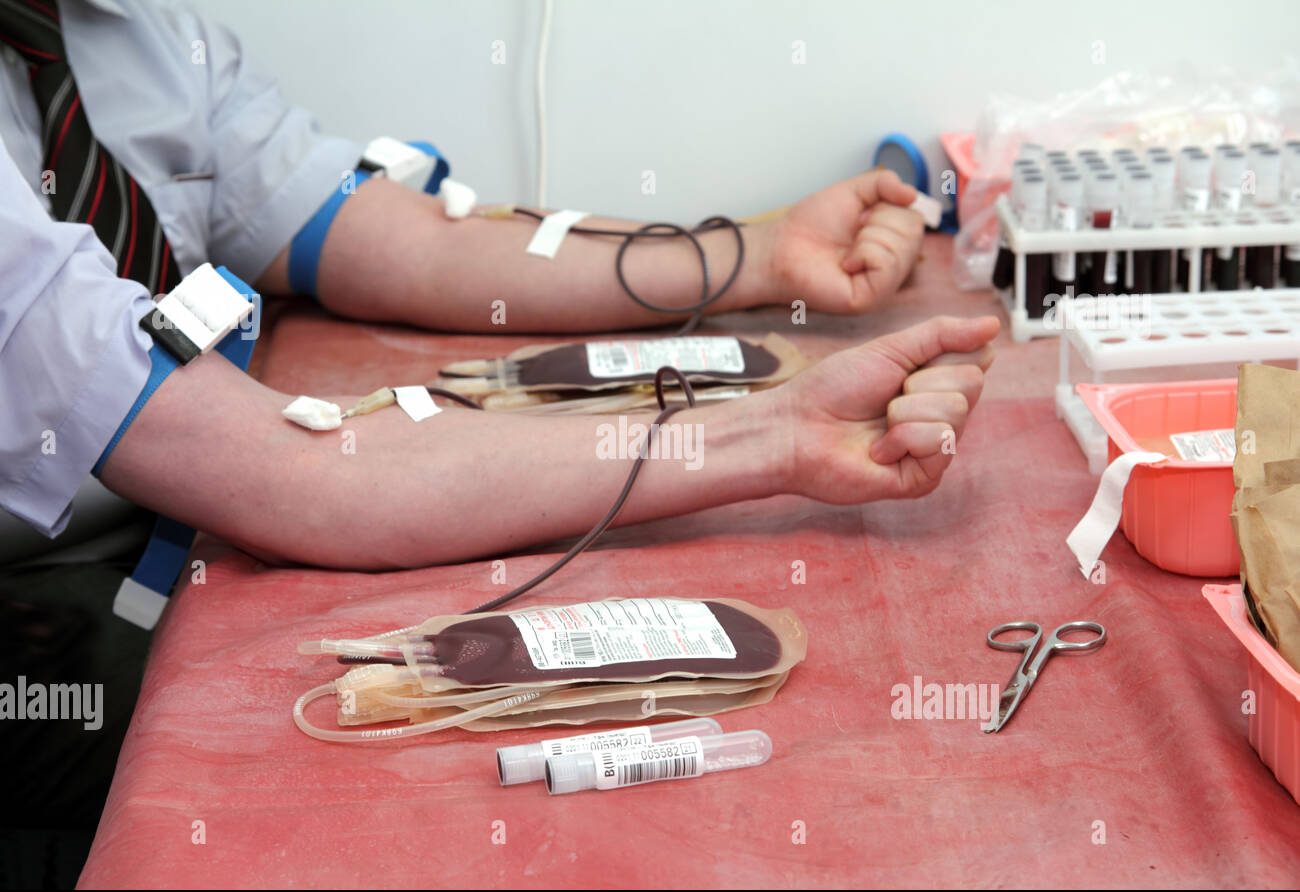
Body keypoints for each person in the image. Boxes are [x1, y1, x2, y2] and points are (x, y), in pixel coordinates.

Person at [1, 0, 994, 565]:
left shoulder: (129, 30)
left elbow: (393, 239)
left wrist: (754, 253)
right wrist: (771, 433)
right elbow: (291, 474)